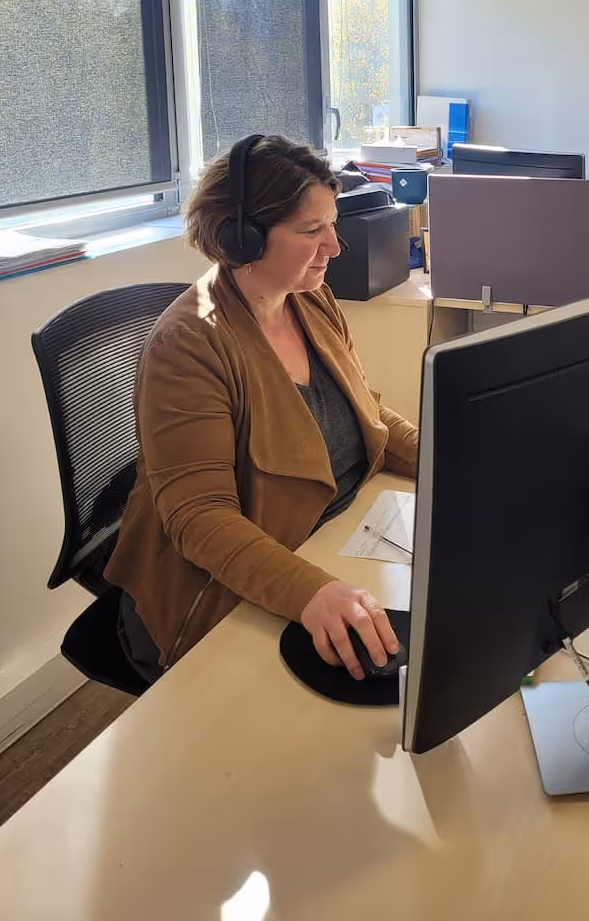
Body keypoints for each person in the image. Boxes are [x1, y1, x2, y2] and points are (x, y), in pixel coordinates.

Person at [105, 135, 418, 687]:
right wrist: (312, 592)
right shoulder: (190, 342)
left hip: (335, 538)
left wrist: (457, 454)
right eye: (311, 231)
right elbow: (200, 519)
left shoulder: (309, 298)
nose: (335, 247)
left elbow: (367, 412)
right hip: (226, 586)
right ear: (241, 238)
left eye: (332, 224)